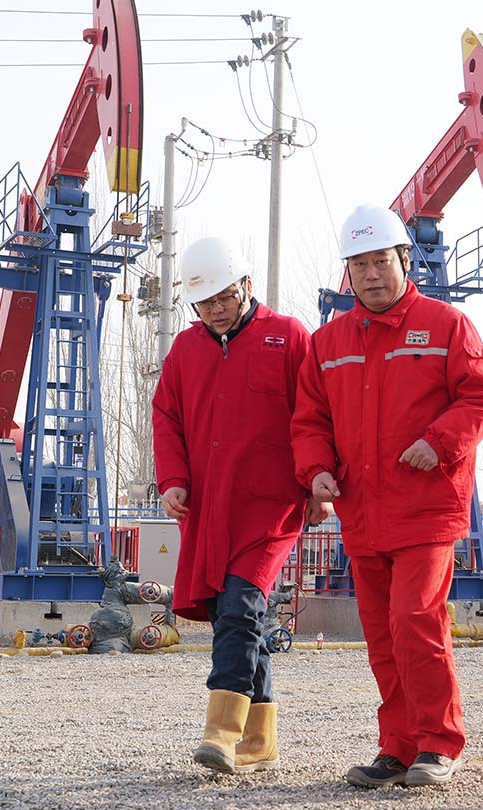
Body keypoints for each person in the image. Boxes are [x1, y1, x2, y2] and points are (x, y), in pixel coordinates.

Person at [290, 204, 483, 789]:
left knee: (415, 620)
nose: (371, 275)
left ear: (405, 260)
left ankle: (438, 742)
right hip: (362, 512)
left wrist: (439, 442)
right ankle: (398, 747)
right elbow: (309, 420)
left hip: (426, 509)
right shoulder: (327, 343)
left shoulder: (446, 325)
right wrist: (316, 471)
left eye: (381, 261)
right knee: (382, 634)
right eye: (359, 265)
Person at [152, 236, 320, 774]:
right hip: (209, 509)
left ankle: (221, 733)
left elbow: (316, 415)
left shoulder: (289, 337)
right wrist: (172, 480)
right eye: (205, 303)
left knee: (241, 608)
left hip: (271, 508)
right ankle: (260, 739)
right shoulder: (185, 350)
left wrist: (319, 483)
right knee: (232, 613)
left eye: (224, 297)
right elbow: (166, 419)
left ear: (246, 286)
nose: (216, 310)